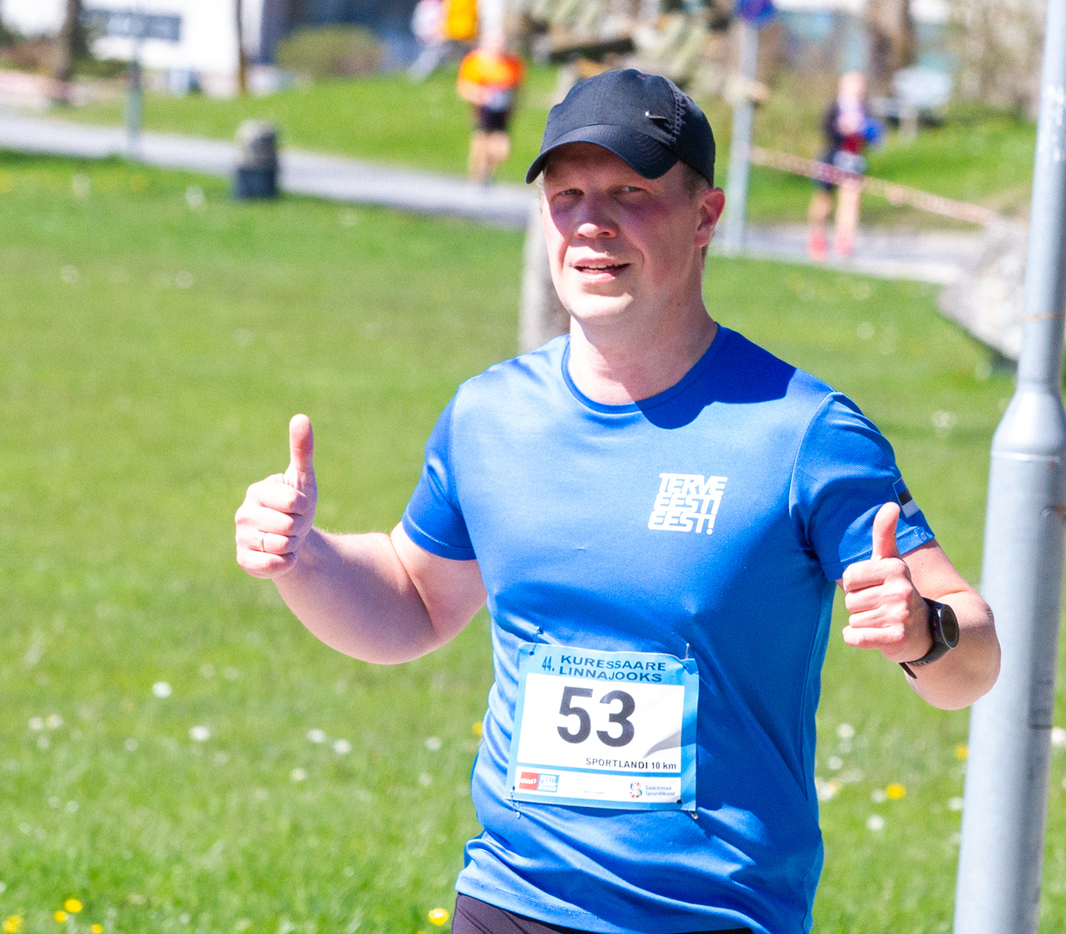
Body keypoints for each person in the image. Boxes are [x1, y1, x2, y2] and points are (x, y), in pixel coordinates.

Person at [236, 68, 999, 934]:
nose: (592, 223)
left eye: (630, 193)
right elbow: (413, 601)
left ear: (705, 217)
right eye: (567, 196)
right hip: (511, 899)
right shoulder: (489, 415)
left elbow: (975, 657)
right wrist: (302, 556)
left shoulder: (802, 430)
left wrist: (925, 631)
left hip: (714, 913)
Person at [807, 71, 882, 261]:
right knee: (823, 201)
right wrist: (840, 127)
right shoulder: (835, 107)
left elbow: (875, 135)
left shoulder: (864, 109)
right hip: (831, 158)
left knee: (851, 200)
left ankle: (844, 241)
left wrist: (865, 130)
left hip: (853, 161)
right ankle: (818, 237)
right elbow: (825, 129)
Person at [455, 33, 524, 185]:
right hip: (483, 109)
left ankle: (487, 172)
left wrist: (515, 107)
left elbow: (517, 88)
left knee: (501, 150)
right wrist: (480, 95)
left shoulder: (513, 62)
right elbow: (463, 86)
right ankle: (478, 176)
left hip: (503, 110)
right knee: (481, 144)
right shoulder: (476, 61)